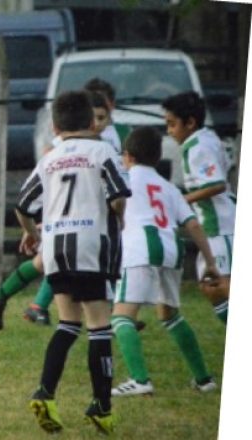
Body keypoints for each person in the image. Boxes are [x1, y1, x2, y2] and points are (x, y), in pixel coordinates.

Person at [15, 90, 130, 435]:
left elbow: (22, 205)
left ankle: (45, 393)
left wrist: (31, 234)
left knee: (67, 322)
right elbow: (120, 196)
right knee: (99, 325)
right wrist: (117, 217)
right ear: (91, 122)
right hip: (91, 247)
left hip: (56, 248)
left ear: (55, 125)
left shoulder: (49, 158)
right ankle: (101, 406)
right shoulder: (102, 151)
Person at [0, 91, 116, 330]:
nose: (98, 123)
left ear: (110, 116)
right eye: (94, 117)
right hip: (69, 220)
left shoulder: (109, 143)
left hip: (83, 221)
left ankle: (19, 300)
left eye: (102, 117)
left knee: (49, 263)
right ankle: (28, 303)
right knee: (48, 263)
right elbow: (50, 177)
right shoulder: (67, 147)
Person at [111, 126, 220, 397]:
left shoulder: (124, 179)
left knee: (121, 317)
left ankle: (140, 379)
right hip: (172, 251)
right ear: (157, 158)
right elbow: (193, 224)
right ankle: (204, 379)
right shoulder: (167, 186)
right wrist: (210, 262)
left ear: (128, 156)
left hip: (140, 250)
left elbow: (113, 208)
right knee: (169, 314)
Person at [162, 91, 234, 325]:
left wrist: (181, 200)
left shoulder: (198, 147)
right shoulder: (205, 138)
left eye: (172, 124)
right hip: (212, 227)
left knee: (221, 285)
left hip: (220, 226)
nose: (169, 131)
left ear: (190, 122)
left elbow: (216, 184)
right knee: (210, 286)